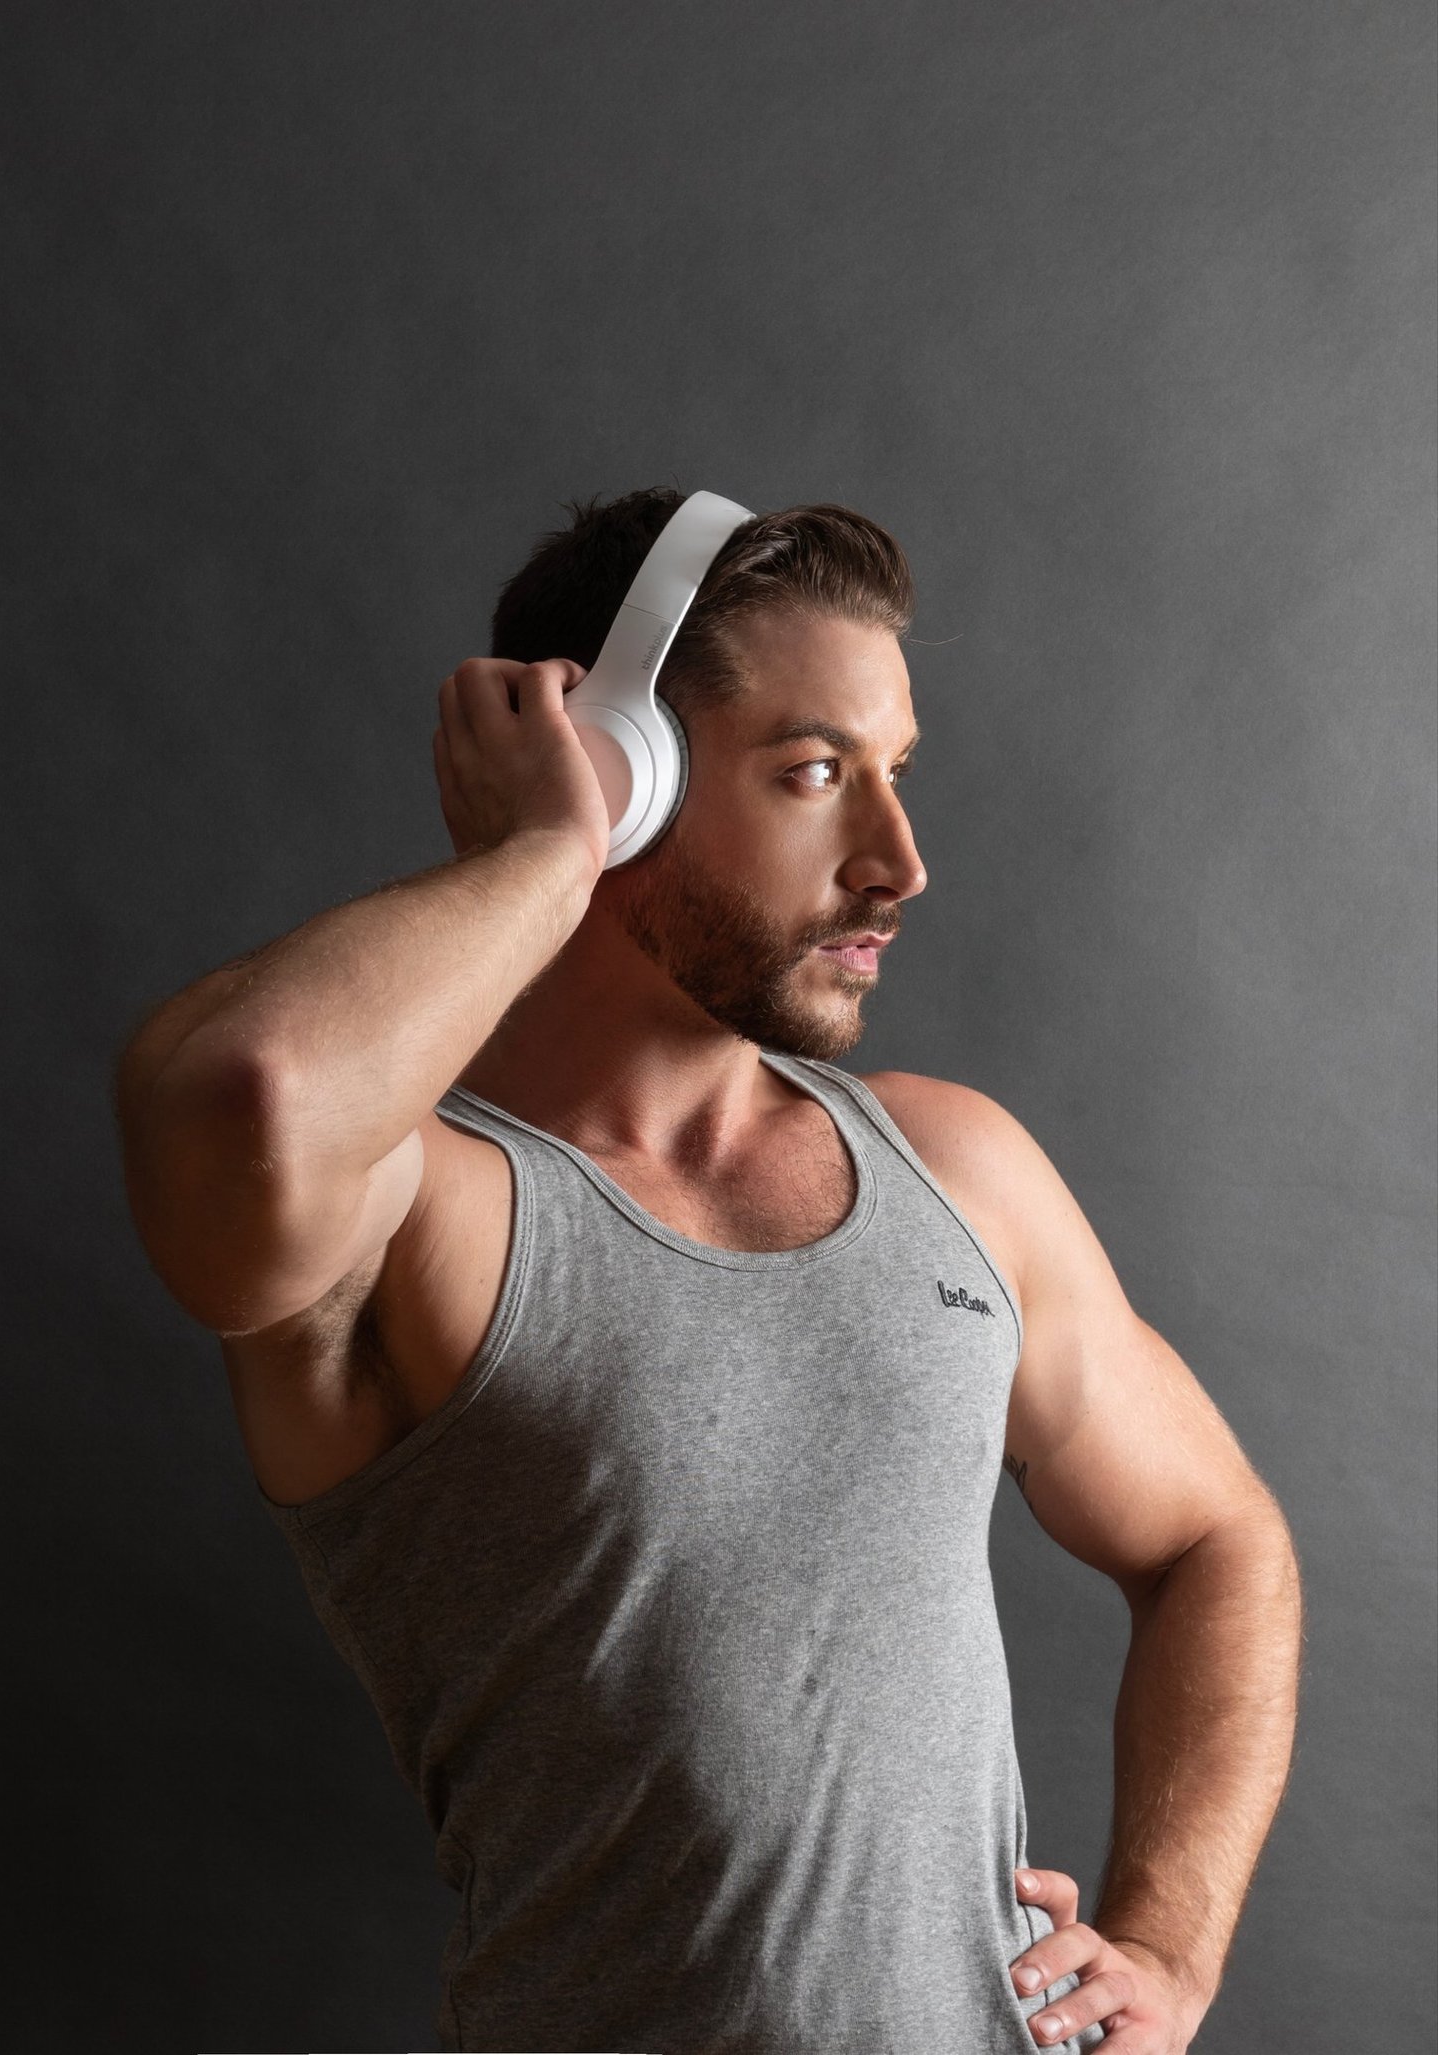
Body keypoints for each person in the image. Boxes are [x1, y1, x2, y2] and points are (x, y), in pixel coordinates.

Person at [114, 488, 1303, 2054]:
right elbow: (241, 1097)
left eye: (895, 773)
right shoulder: (420, 1207)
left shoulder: (958, 1169)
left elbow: (1218, 1539)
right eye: (815, 772)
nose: (899, 862)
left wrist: (1169, 1940)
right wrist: (552, 851)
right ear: (626, 767)